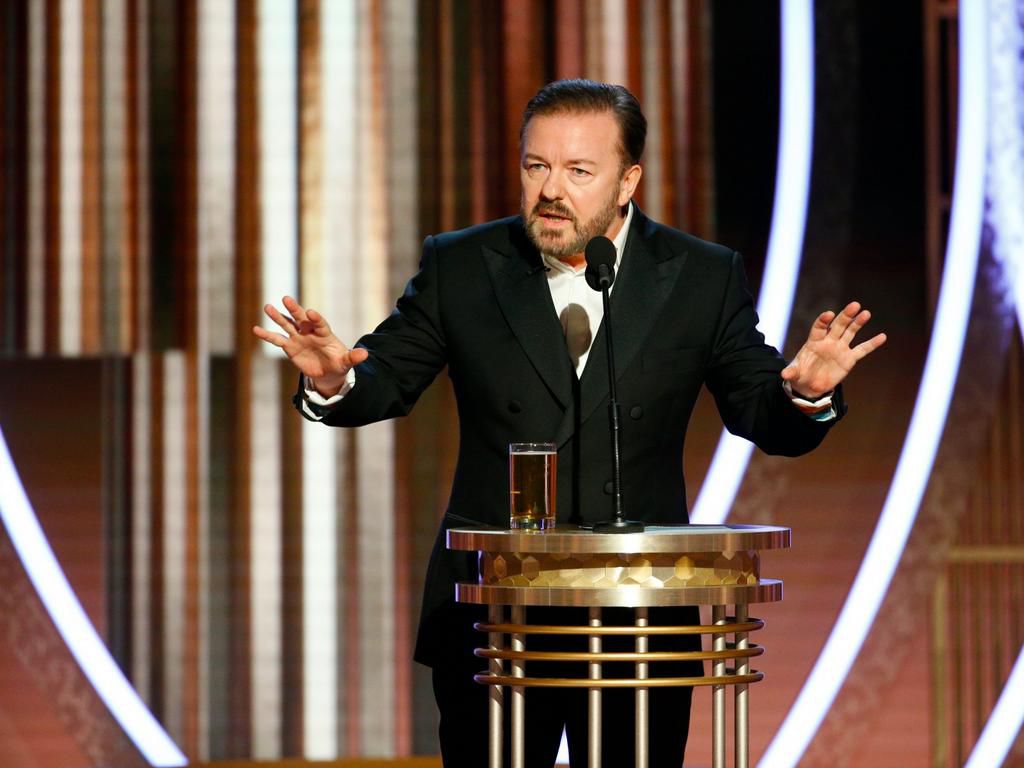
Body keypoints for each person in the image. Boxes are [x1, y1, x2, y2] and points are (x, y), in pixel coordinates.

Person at [253, 79, 885, 767]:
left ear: (627, 180)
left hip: (639, 620)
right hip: (492, 615)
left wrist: (806, 395)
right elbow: (385, 381)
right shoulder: (464, 265)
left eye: (579, 171)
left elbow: (759, 412)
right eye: (536, 166)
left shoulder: (700, 276)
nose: (551, 189)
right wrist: (332, 377)